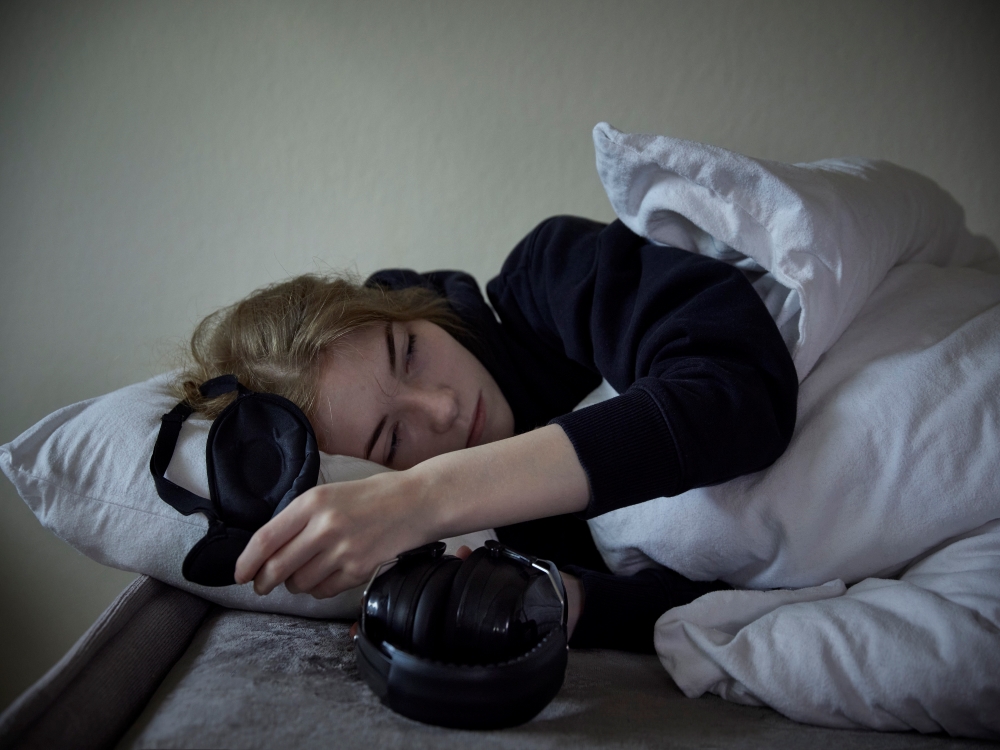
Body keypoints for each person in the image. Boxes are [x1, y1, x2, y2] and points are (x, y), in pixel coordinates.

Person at [176, 215, 799, 651]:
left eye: (410, 352)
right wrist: (566, 602)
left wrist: (427, 495)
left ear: (408, 307)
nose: (443, 408)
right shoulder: (486, 548)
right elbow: (718, 599)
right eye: (392, 441)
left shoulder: (550, 271)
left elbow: (738, 389)